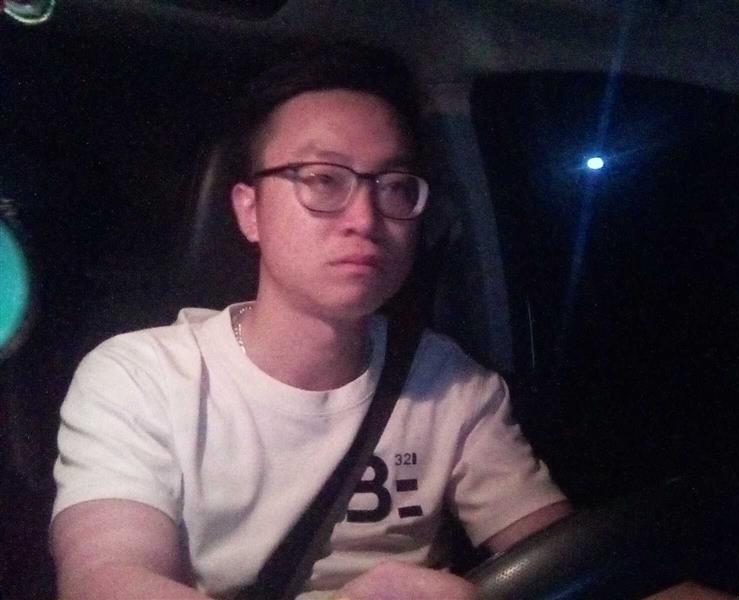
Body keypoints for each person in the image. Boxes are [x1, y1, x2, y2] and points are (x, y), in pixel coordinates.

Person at [48, 39, 572, 599]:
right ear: (250, 210)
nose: (365, 218)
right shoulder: (142, 377)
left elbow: (560, 557)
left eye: (395, 186)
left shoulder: (451, 384)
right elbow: (105, 580)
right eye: (323, 179)